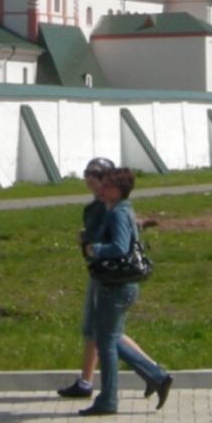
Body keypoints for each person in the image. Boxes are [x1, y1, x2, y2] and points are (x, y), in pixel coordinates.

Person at [57, 157, 166, 402]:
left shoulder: (114, 210)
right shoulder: (113, 207)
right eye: (88, 174)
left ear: (114, 186)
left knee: (105, 339)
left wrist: (93, 247)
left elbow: (118, 245)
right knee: (107, 336)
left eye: (99, 177)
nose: (92, 181)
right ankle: (153, 376)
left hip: (113, 281)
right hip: (110, 279)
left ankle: (111, 396)